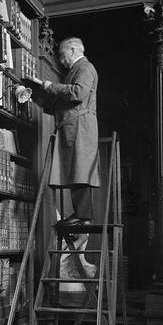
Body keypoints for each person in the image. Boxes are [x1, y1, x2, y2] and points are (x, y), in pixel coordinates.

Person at [31, 37, 100, 226]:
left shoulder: (85, 67)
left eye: (62, 56)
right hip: (73, 126)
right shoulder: (75, 71)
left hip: (80, 127)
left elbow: (77, 93)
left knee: (81, 170)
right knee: (76, 170)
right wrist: (37, 93)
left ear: (73, 50)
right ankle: (81, 214)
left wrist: (48, 85)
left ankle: (83, 215)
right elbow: (63, 102)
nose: (61, 61)